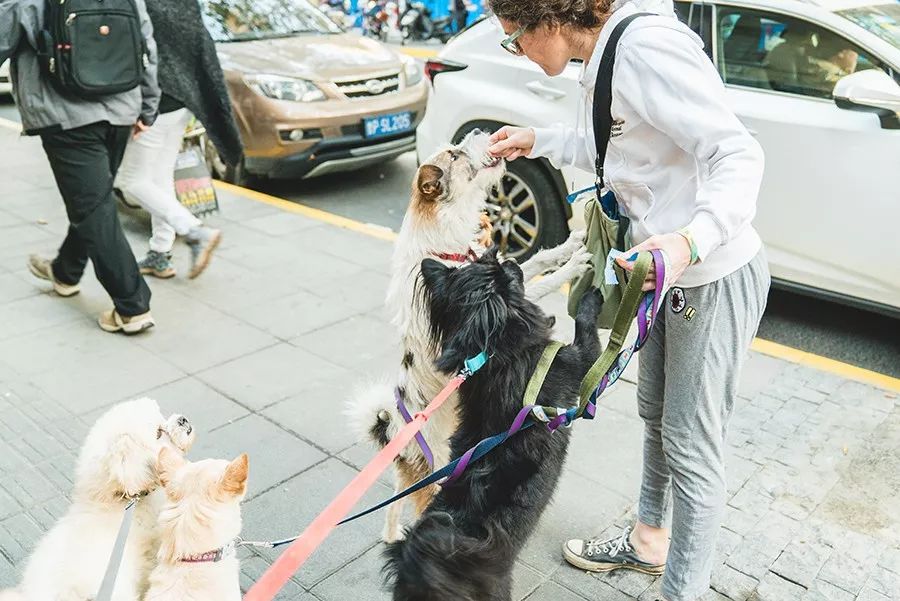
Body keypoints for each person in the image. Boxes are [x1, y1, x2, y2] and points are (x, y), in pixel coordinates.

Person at [486, 0, 770, 600]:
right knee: (656, 417)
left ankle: (681, 589)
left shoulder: (644, 49)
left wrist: (690, 242)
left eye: (514, 37)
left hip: (709, 276)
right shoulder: (606, 53)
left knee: (691, 445)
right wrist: (540, 140)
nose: (516, 51)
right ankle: (647, 541)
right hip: (665, 274)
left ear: (548, 18)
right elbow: (624, 150)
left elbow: (737, 152)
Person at [0, 0, 160, 334]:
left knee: (93, 209)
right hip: (122, 108)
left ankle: (132, 307)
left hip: (65, 116)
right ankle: (65, 272)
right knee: (93, 202)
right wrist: (148, 106)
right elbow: (146, 46)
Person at [114, 0, 243, 280]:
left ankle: (194, 231)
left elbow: (140, 53)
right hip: (181, 102)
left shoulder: (145, 5)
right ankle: (160, 253)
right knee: (160, 179)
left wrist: (142, 108)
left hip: (156, 104)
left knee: (131, 180)